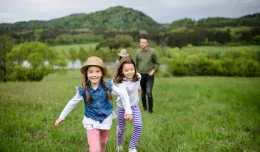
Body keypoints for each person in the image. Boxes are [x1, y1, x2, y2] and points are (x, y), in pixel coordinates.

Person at [55, 56, 130, 152]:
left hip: (106, 119)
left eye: (97, 71)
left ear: (102, 73)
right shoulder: (83, 90)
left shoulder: (108, 86)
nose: (94, 74)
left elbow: (123, 94)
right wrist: (61, 117)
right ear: (86, 74)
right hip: (91, 121)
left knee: (103, 142)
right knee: (94, 148)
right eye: (91, 72)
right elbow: (72, 103)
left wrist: (128, 110)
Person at [113, 57, 142, 152]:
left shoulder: (138, 76)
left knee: (138, 125)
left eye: (132, 69)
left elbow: (137, 84)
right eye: (126, 70)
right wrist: (127, 111)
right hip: (122, 107)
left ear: (135, 68)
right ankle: (119, 144)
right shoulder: (120, 82)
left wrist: (139, 89)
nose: (130, 72)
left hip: (134, 106)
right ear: (121, 71)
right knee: (121, 128)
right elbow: (124, 96)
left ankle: (132, 147)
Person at [135, 36, 160, 113]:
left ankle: (150, 110)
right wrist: (136, 73)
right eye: (141, 42)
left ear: (147, 43)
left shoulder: (152, 52)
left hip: (149, 75)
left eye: (144, 42)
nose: (142, 44)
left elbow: (157, 63)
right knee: (142, 93)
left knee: (149, 92)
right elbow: (136, 64)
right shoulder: (138, 52)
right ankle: (145, 108)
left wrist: (153, 71)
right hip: (140, 76)